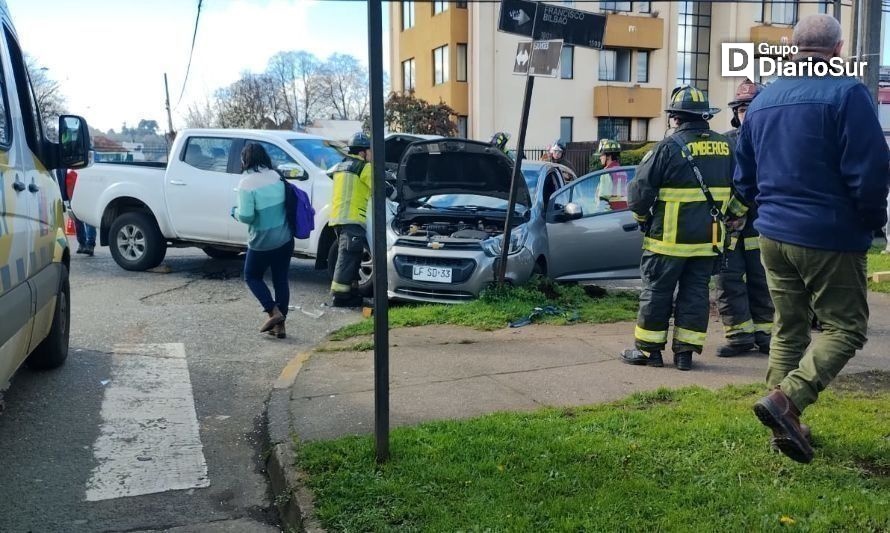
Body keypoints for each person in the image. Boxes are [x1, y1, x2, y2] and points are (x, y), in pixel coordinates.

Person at [734, 14, 890, 464]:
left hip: (773, 233)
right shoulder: (847, 92)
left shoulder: (763, 99)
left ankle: (785, 425)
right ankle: (789, 400)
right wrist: (871, 221)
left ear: (792, 46)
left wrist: (764, 208)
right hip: (828, 233)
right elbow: (870, 168)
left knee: (789, 326)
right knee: (845, 327)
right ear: (837, 50)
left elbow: (743, 175)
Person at [621, 85, 745, 371]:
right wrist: (732, 218)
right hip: (708, 241)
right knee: (696, 294)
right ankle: (685, 355)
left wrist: (643, 221)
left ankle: (648, 351)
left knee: (657, 292)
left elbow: (639, 194)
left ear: (675, 118)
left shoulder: (666, 147)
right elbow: (744, 189)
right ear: (706, 117)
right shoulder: (727, 146)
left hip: (666, 241)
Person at [715, 79, 775, 358]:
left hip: (759, 225)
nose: (744, 114)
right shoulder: (725, 142)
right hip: (726, 227)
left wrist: (738, 211)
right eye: (740, 109)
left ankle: (765, 337)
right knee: (728, 280)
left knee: (760, 280)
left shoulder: (774, 142)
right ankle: (739, 337)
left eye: (749, 108)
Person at [232, 143, 294, 339]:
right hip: (285, 238)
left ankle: (273, 312)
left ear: (245, 160)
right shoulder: (277, 176)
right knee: (281, 280)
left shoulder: (246, 183)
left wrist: (234, 212)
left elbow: (247, 216)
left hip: (262, 242)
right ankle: (280, 327)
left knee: (251, 276)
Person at [328, 132, 373, 308]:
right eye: (369, 151)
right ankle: (339, 296)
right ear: (362, 152)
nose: (370, 155)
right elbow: (379, 187)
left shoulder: (341, 166)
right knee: (347, 258)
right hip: (353, 219)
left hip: (338, 218)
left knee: (352, 257)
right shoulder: (363, 167)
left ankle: (352, 294)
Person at [61, 168, 96, 256]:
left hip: (87, 193)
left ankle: (90, 245)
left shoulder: (87, 165)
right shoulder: (64, 167)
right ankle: (82, 244)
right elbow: (62, 182)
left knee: (88, 219)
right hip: (72, 195)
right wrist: (65, 198)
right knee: (77, 220)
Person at [593, 139, 629, 211]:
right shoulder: (622, 171)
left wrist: (599, 215)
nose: (600, 157)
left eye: (602, 155)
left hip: (609, 214)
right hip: (623, 212)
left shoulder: (606, 172)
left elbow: (603, 199)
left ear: (608, 156)